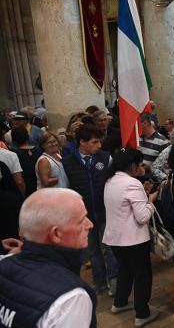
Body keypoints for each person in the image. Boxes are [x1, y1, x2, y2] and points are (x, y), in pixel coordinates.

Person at [0, 188, 96, 327]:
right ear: (56, 234)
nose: (90, 225)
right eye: (81, 221)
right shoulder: (71, 298)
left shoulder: (5, 263)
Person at [103, 148, 159, 327]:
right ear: (132, 166)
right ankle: (142, 313)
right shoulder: (132, 184)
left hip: (114, 238)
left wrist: (142, 195)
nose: (142, 167)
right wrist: (150, 201)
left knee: (125, 269)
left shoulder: (111, 180)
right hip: (133, 239)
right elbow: (142, 217)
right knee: (142, 275)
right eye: (140, 164)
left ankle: (119, 303)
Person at [62, 124, 119, 295]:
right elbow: (65, 190)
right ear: (82, 142)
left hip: (105, 212)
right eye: (95, 142)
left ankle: (114, 279)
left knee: (110, 248)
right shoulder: (67, 163)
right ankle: (99, 281)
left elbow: (113, 183)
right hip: (84, 216)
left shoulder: (105, 158)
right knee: (92, 251)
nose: (99, 145)